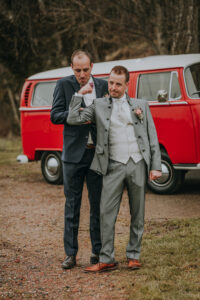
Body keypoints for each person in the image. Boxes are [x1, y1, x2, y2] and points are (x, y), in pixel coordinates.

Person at [67, 65, 162, 272]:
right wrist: (78, 95)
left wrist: (155, 166)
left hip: (137, 163)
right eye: (110, 83)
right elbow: (73, 119)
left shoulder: (141, 105)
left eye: (118, 84)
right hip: (112, 166)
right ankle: (107, 258)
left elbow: (151, 136)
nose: (113, 87)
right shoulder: (99, 105)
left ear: (127, 85)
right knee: (105, 213)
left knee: (138, 213)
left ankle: (133, 255)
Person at [51, 50, 108, 269]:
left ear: (92, 66)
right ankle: (70, 254)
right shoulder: (64, 85)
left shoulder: (103, 86)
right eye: (77, 70)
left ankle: (97, 250)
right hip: (73, 155)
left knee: (97, 205)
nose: (82, 74)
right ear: (71, 68)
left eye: (85, 70)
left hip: (97, 154)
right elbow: (55, 115)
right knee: (72, 205)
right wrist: (77, 116)